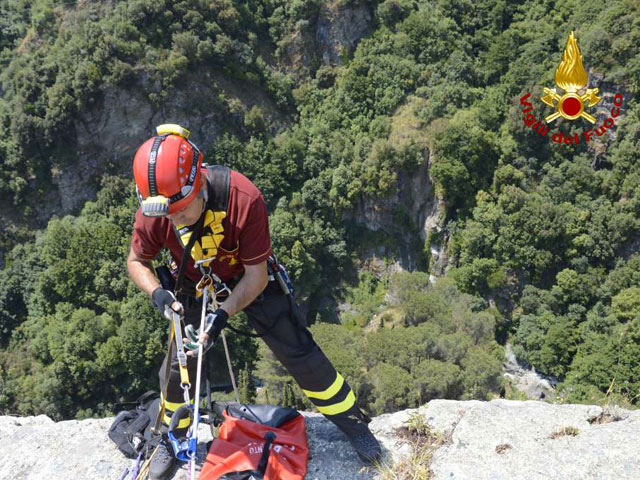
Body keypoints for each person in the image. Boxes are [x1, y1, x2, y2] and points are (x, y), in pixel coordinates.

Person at [127, 125, 381, 479]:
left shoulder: (242, 198)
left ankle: (353, 423)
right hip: (190, 282)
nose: (172, 220)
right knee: (179, 366)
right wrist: (158, 294)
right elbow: (137, 261)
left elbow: (256, 275)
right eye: (167, 215)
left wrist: (222, 315)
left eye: (180, 213)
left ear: (199, 186)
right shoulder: (159, 208)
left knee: (297, 349)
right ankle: (171, 436)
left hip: (245, 276)